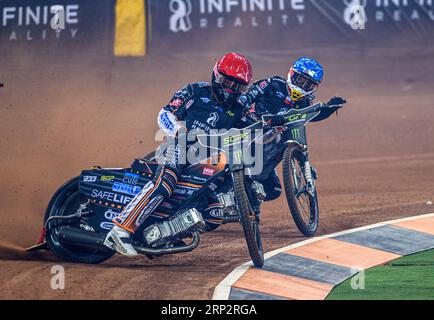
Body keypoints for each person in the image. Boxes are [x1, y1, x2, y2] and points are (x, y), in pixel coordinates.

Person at [104, 52, 253, 256]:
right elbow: (165, 114)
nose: (231, 90)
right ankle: (120, 230)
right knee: (166, 183)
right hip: (180, 147)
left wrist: (272, 128)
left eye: (238, 86)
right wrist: (179, 131)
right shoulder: (195, 92)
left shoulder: (241, 106)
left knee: (214, 213)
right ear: (216, 76)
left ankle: (162, 236)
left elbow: (252, 129)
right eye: (227, 82)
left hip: (209, 162)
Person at [238, 57, 346, 201]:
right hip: (252, 133)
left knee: (273, 190)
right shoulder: (272, 84)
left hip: (275, 144)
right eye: (300, 80)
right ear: (291, 74)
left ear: (315, 87)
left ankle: (249, 209)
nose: (302, 85)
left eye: (309, 84)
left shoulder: (304, 101)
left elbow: (311, 116)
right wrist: (258, 116)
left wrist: (329, 108)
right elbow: (246, 98)